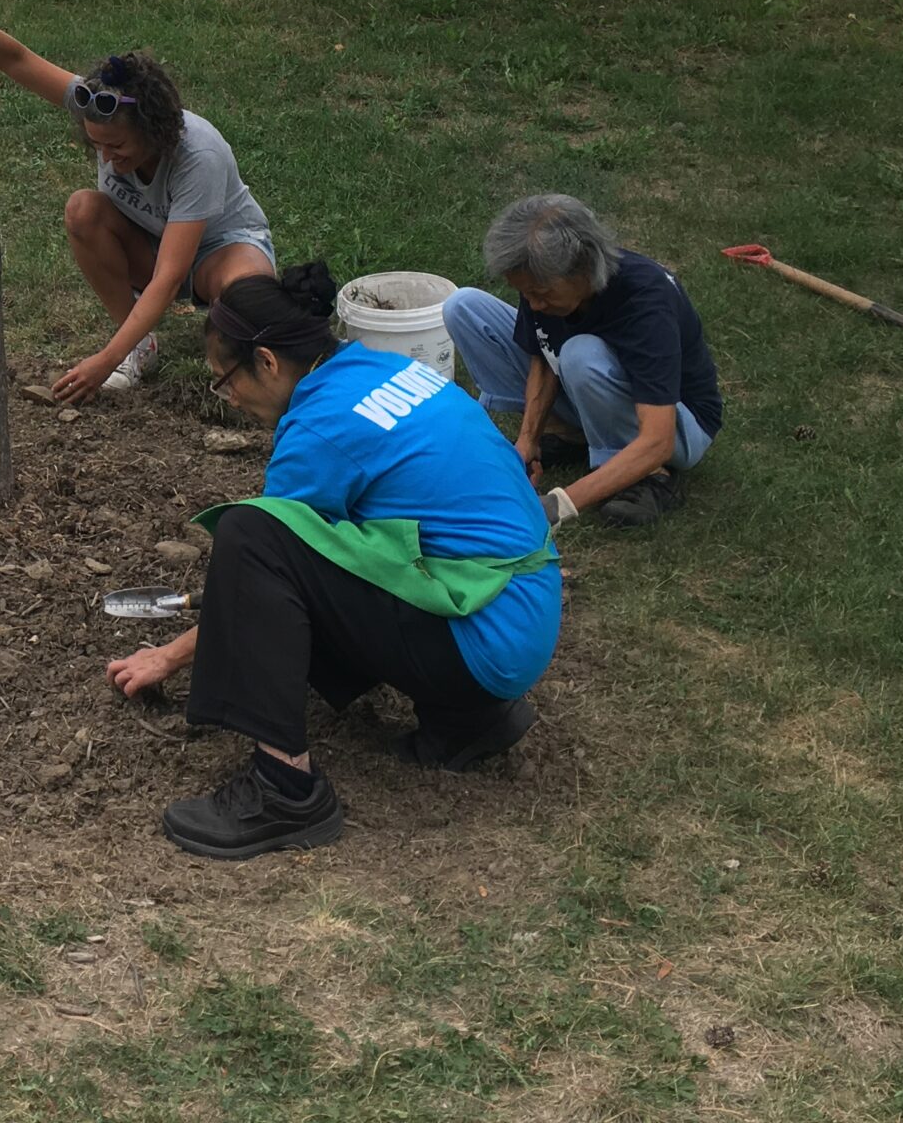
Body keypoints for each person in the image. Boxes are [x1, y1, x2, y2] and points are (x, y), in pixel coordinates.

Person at [105, 264, 561, 860]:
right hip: (525, 608)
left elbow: (270, 568)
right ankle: (467, 720)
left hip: (483, 634)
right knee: (303, 540)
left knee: (250, 532)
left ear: (267, 361)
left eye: (225, 381)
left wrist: (168, 655)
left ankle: (284, 788)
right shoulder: (381, 368)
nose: (230, 399)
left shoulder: (318, 431)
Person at [0, 0, 274, 403]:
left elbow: (169, 277)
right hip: (157, 246)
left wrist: (103, 359)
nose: (106, 158)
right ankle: (139, 346)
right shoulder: (98, 106)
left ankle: (237, 361)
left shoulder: (198, 155)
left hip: (222, 251)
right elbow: (18, 60)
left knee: (244, 292)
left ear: (153, 130)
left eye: (118, 146)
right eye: (96, 145)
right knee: (83, 210)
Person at [442, 194, 724, 530]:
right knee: (463, 307)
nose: (532, 304)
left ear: (584, 269)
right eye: (525, 293)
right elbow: (544, 354)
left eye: (542, 294)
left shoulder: (646, 302)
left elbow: (658, 440)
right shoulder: (540, 275)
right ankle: (573, 436)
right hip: (593, 386)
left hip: (677, 424)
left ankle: (650, 478)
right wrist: (527, 441)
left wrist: (558, 504)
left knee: (581, 354)